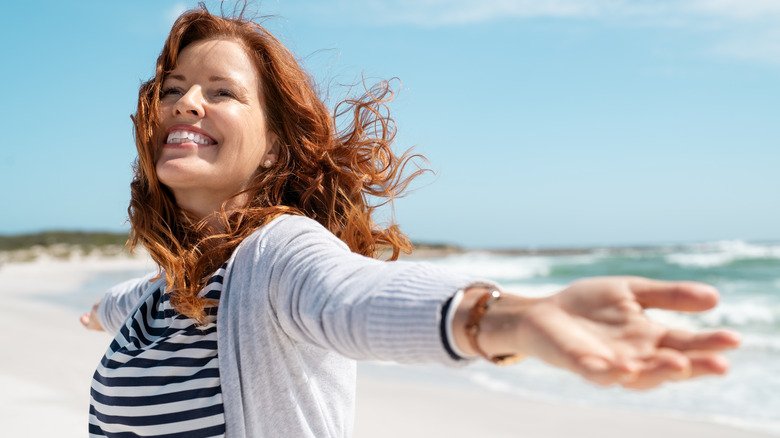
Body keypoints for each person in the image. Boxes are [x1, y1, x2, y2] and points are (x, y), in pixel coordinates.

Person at [80, 5, 740, 438]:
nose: (187, 103)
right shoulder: (166, 291)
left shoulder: (276, 259)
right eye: (173, 91)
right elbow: (127, 301)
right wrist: (98, 310)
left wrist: (502, 319)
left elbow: (355, 297)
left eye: (220, 91)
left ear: (277, 146)